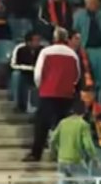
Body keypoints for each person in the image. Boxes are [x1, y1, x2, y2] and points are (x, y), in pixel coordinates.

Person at [25, 27, 80, 162]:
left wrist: (41, 87)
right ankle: (62, 154)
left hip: (48, 92)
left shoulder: (46, 52)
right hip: (66, 94)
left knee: (42, 124)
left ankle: (36, 154)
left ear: (54, 38)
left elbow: (38, 74)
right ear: (66, 38)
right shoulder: (73, 54)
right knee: (63, 125)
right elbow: (77, 75)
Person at [50, 99, 101, 184]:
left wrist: (54, 152)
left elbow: (52, 140)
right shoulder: (83, 125)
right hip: (76, 160)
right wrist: (95, 158)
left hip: (62, 160)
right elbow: (88, 145)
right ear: (85, 111)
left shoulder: (63, 122)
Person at [10, 31, 42, 112]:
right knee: (16, 75)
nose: (38, 42)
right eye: (36, 40)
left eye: (39, 40)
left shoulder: (43, 50)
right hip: (24, 73)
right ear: (28, 42)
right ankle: (19, 105)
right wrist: (30, 68)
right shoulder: (19, 49)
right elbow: (13, 65)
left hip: (39, 74)